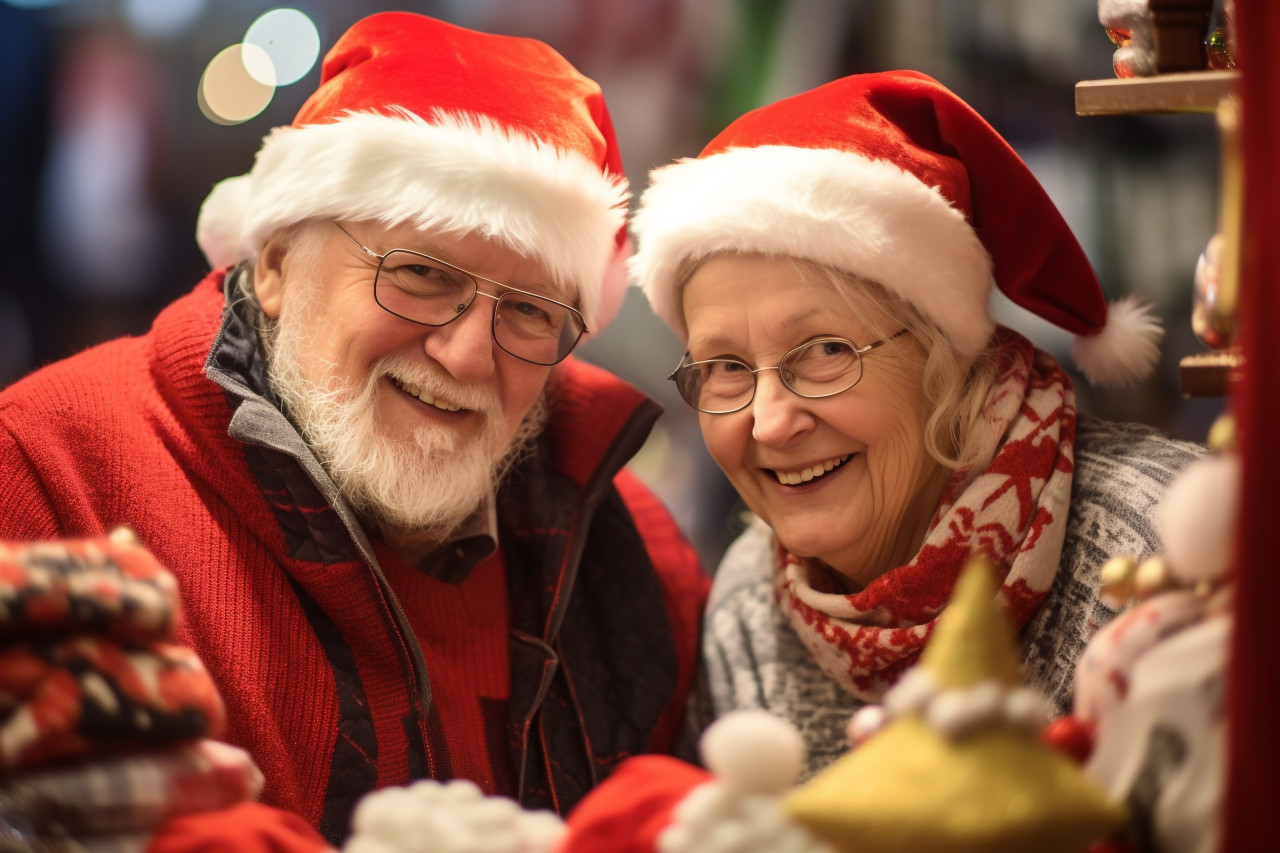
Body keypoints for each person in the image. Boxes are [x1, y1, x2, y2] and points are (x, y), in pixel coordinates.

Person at [0, 12, 708, 846]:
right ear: (274, 263)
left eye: (528, 310)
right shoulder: (49, 472)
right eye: (418, 273)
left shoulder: (634, 547)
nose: (468, 353)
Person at [623, 69, 1206, 779]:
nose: (769, 422)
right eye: (725, 367)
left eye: (827, 352)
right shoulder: (753, 601)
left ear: (948, 359)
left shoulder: (1164, 548)